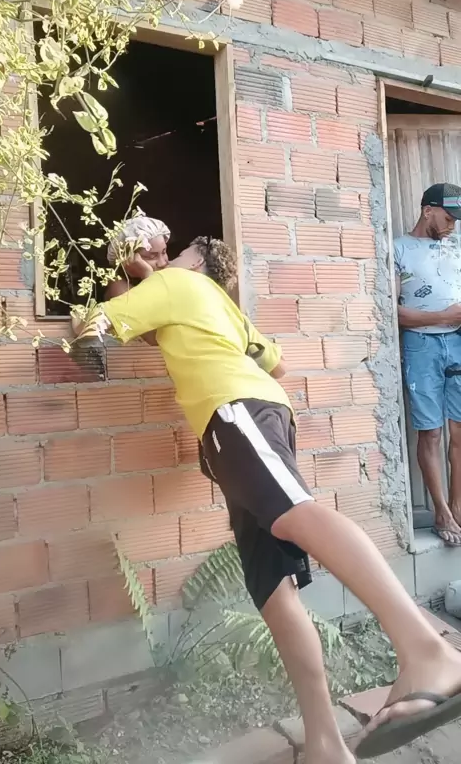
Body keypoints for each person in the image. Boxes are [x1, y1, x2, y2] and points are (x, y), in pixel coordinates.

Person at [73, 236, 461, 762]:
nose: (167, 258)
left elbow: (96, 321)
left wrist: (132, 275)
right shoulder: (220, 306)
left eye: (177, 252)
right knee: (272, 591)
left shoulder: (177, 283)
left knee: (292, 515)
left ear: (197, 262)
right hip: (253, 414)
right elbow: (274, 364)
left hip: (234, 413)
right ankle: (324, 743)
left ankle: (427, 649)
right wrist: (149, 281)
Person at [395, 183, 461, 547]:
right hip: (421, 345)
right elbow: (393, 312)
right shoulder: (399, 249)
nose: (452, 226)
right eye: (448, 218)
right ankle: (441, 512)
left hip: (459, 343)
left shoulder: (457, 246)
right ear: (428, 211)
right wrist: (443, 316)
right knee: (431, 432)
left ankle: (458, 507)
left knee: (459, 432)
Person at [105, 208, 170, 299]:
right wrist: (147, 275)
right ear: (127, 258)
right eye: (151, 257)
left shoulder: (166, 272)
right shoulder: (120, 290)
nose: (162, 263)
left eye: (164, 252)